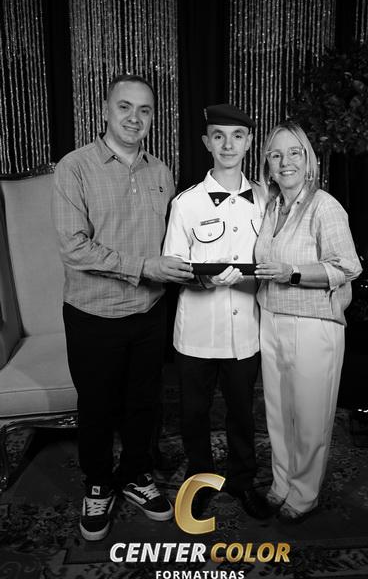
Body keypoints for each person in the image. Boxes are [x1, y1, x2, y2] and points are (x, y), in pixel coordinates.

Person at [52, 74, 193, 541]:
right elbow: (74, 248)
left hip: (150, 311)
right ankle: (97, 482)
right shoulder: (74, 167)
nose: (135, 118)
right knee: (96, 406)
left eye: (144, 110)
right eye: (125, 107)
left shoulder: (161, 172)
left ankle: (135, 473)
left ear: (153, 117)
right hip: (93, 313)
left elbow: (174, 242)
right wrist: (145, 266)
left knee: (144, 402)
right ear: (105, 111)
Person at [163, 103, 271, 519]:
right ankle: (201, 479)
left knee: (243, 412)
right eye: (219, 136)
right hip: (197, 331)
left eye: (237, 136)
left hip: (247, 329)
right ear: (206, 143)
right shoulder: (186, 203)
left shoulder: (266, 200)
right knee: (195, 413)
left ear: (249, 142)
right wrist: (206, 281)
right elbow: (173, 266)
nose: (228, 145)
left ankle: (243, 481)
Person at [254, 120, 362, 524]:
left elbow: (347, 267)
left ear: (308, 160)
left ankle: (303, 494)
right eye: (276, 154)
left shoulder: (324, 206)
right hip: (272, 318)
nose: (286, 162)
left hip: (313, 324)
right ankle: (282, 482)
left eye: (294, 153)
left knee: (311, 418)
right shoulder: (270, 207)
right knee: (278, 413)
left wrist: (293, 273)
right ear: (267, 163)